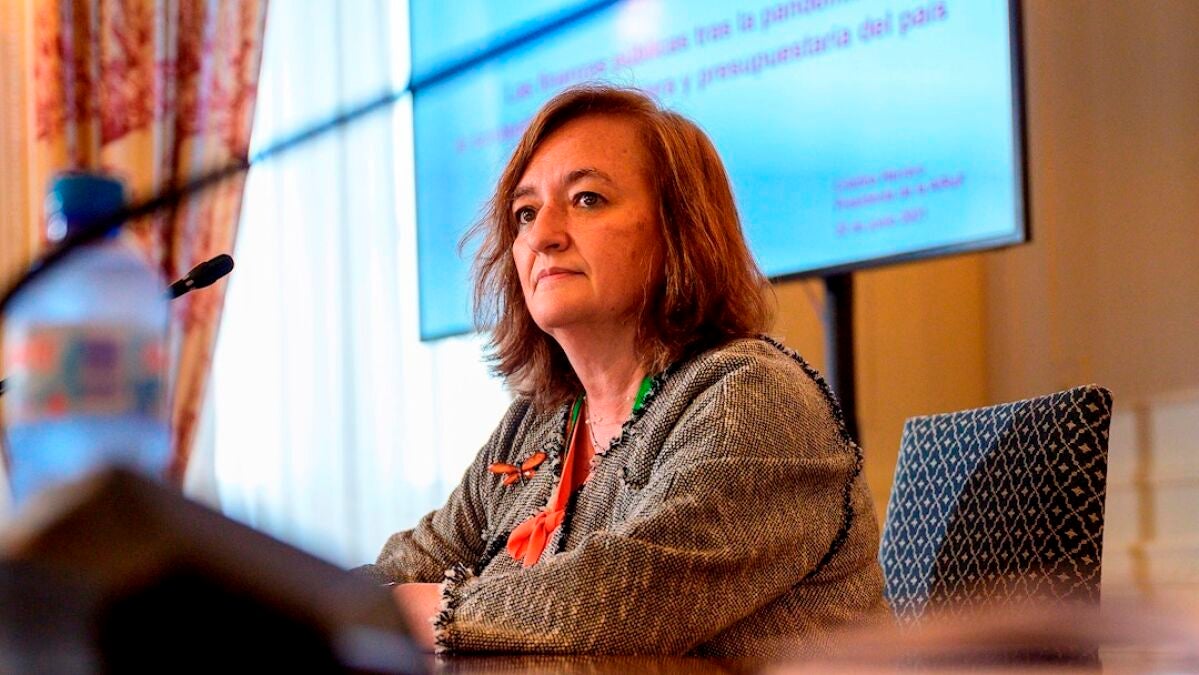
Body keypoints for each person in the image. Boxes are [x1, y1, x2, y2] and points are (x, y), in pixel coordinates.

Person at [364, 84, 887, 658]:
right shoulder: (537, 423)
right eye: (525, 213)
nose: (542, 236)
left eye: (587, 199)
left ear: (680, 229)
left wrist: (423, 610)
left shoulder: (754, 396)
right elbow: (408, 564)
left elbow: (621, 603)